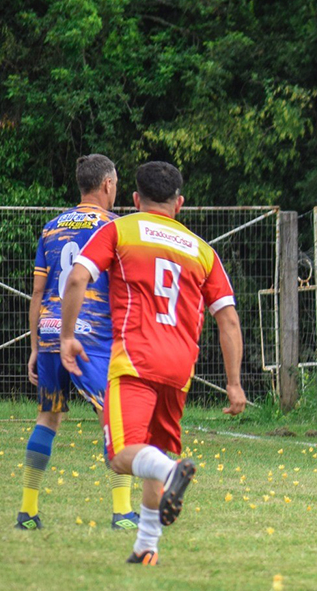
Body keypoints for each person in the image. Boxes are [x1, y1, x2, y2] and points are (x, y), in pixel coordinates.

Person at [60, 161, 247, 565]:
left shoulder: (119, 230)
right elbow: (228, 318)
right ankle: (147, 546)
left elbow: (76, 279)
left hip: (135, 362)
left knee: (122, 455)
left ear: (134, 199)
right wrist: (234, 383)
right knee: (153, 450)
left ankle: (170, 472)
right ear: (179, 203)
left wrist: (68, 336)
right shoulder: (202, 250)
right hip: (180, 369)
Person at [17, 154, 132, 531]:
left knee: (48, 418)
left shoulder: (52, 228)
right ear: (107, 186)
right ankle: (122, 512)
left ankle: (28, 512)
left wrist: (35, 346)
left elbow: (37, 292)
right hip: (92, 335)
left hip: (51, 330)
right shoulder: (114, 227)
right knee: (113, 416)